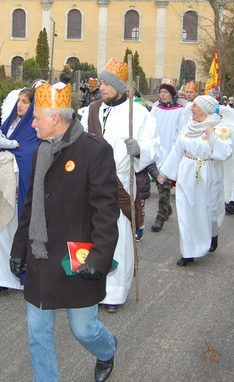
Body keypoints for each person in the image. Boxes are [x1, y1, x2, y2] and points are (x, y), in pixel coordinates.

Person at [10, 81, 119, 382]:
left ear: (55, 119)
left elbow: (106, 213)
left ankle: (107, 349)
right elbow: (30, 205)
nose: (31, 123)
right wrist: (18, 249)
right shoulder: (40, 152)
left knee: (84, 329)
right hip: (41, 255)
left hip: (76, 259)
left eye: (36, 118)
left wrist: (99, 259)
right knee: (37, 333)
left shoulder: (94, 151)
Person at [81, 58, 159, 312]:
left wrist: (140, 150)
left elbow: (154, 146)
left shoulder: (139, 114)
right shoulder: (91, 111)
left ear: (120, 86)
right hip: (91, 182)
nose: (100, 87)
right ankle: (91, 284)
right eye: (100, 82)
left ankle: (114, 293)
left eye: (105, 83)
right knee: (92, 233)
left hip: (120, 182)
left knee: (118, 235)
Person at [160, 95, 234, 266]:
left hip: (209, 173)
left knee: (210, 211)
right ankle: (188, 252)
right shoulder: (188, 127)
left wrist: (212, 135)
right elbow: (177, 150)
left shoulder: (220, 128)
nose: (191, 108)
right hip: (187, 173)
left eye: (195, 106)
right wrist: (165, 173)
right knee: (186, 212)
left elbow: (225, 153)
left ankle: (213, 233)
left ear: (204, 109)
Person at [0, 88, 40, 297]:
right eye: (19, 101)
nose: (20, 105)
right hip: (4, 189)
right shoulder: (8, 125)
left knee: (20, 232)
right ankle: (1, 278)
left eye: (25, 102)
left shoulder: (34, 131)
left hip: (22, 190)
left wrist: (10, 158)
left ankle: (24, 276)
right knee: (1, 232)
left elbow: (30, 155)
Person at [149, 83, 185, 232]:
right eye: (161, 92)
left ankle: (161, 215)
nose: (162, 95)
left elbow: (181, 130)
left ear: (172, 94)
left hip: (171, 151)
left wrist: (176, 151)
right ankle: (167, 207)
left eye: (165, 92)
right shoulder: (156, 109)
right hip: (157, 150)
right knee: (159, 183)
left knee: (164, 183)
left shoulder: (180, 111)